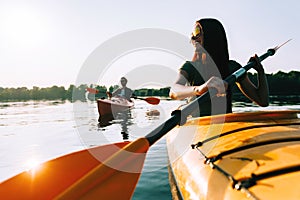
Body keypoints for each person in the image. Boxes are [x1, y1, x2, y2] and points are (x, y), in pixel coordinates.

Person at [169, 18, 269, 116]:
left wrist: (260, 71)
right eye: (193, 33)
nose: (193, 38)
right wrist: (199, 89)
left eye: (197, 32)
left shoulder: (232, 67)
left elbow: (263, 101)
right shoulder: (190, 67)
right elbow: (173, 91)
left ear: (212, 36)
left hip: (225, 124)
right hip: (197, 124)